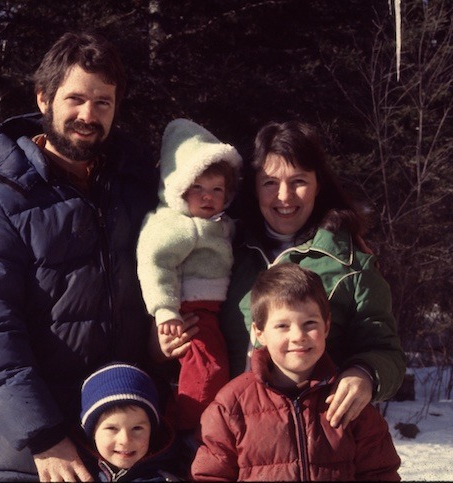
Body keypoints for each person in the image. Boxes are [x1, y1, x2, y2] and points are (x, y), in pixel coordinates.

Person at [0, 31, 158, 482]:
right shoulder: (2, 201)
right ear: (44, 98)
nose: (88, 115)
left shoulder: (137, 188)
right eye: (75, 98)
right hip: (42, 450)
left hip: (131, 438)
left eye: (103, 102)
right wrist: (40, 433)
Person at [157, 120, 405, 430]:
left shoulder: (350, 263)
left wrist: (365, 374)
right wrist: (163, 344)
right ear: (254, 186)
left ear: (319, 184)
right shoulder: (223, 249)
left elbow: (386, 352)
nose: (284, 196)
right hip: (230, 438)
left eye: (299, 181)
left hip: (313, 440)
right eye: (270, 182)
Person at [191, 263, 401, 481]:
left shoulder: (348, 398)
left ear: (326, 326)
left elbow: (380, 473)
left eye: (309, 323)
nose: (298, 336)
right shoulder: (231, 405)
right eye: (283, 326)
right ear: (259, 332)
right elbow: (210, 476)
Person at [136, 118, 242, 433]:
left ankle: (188, 420)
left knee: (210, 371)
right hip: (187, 312)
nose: (208, 197)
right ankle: (190, 428)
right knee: (207, 372)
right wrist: (165, 309)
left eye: (216, 189)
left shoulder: (219, 224)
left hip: (212, 311)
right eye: (198, 188)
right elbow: (154, 262)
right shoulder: (175, 224)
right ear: (179, 187)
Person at [77, 363, 180, 481]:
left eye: (137, 428)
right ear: (93, 432)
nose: (125, 440)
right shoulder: (73, 471)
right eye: (112, 428)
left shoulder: (164, 477)